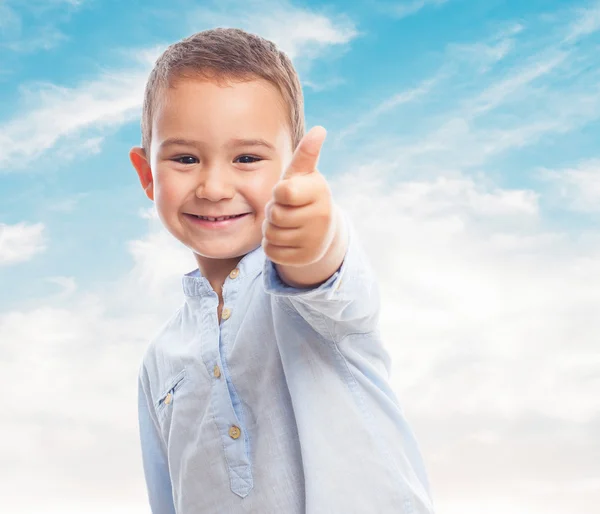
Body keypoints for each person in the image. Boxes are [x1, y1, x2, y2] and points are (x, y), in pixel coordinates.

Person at [130, 27, 434, 514]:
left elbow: (321, 270)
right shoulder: (158, 361)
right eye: (185, 158)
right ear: (147, 175)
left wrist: (310, 239)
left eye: (247, 158)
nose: (213, 185)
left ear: (293, 165)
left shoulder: (307, 290)